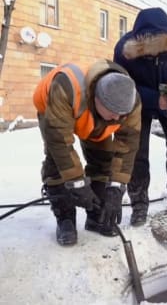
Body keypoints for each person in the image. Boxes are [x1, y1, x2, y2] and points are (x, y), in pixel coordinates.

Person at [33, 59, 141, 246]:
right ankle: (65, 218)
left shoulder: (129, 100)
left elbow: (127, 145)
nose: (118, 118)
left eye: (122, 115)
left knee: (103, 160)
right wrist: (76, 183)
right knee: (58, 164)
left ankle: (96, 215)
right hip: (52, 108)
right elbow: (60, 143)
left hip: (89, 113)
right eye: (113, 112)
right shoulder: (67, 86)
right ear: (96, 98)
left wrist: (117, 187)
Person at [113, 7, 167, 226]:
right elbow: (121, 83)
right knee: (137, 154)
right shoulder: (125, 50)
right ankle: (139, 205)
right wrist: (154, 97)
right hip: (136, 104)